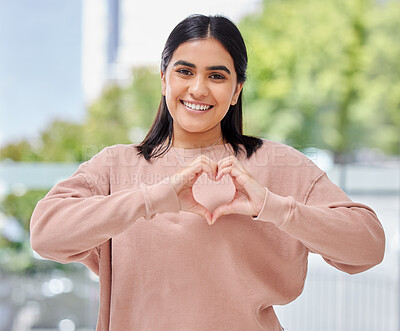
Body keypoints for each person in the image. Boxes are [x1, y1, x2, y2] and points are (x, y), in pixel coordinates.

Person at [30, 14, 385, 331]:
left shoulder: (280, 165)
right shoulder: (115, 166)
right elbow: (46, 234)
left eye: (217, 76)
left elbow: (368, 246)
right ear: (164, 78)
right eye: (184, 71)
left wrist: (272, 207)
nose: (198, 88)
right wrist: (154, 199)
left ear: (236, 91)